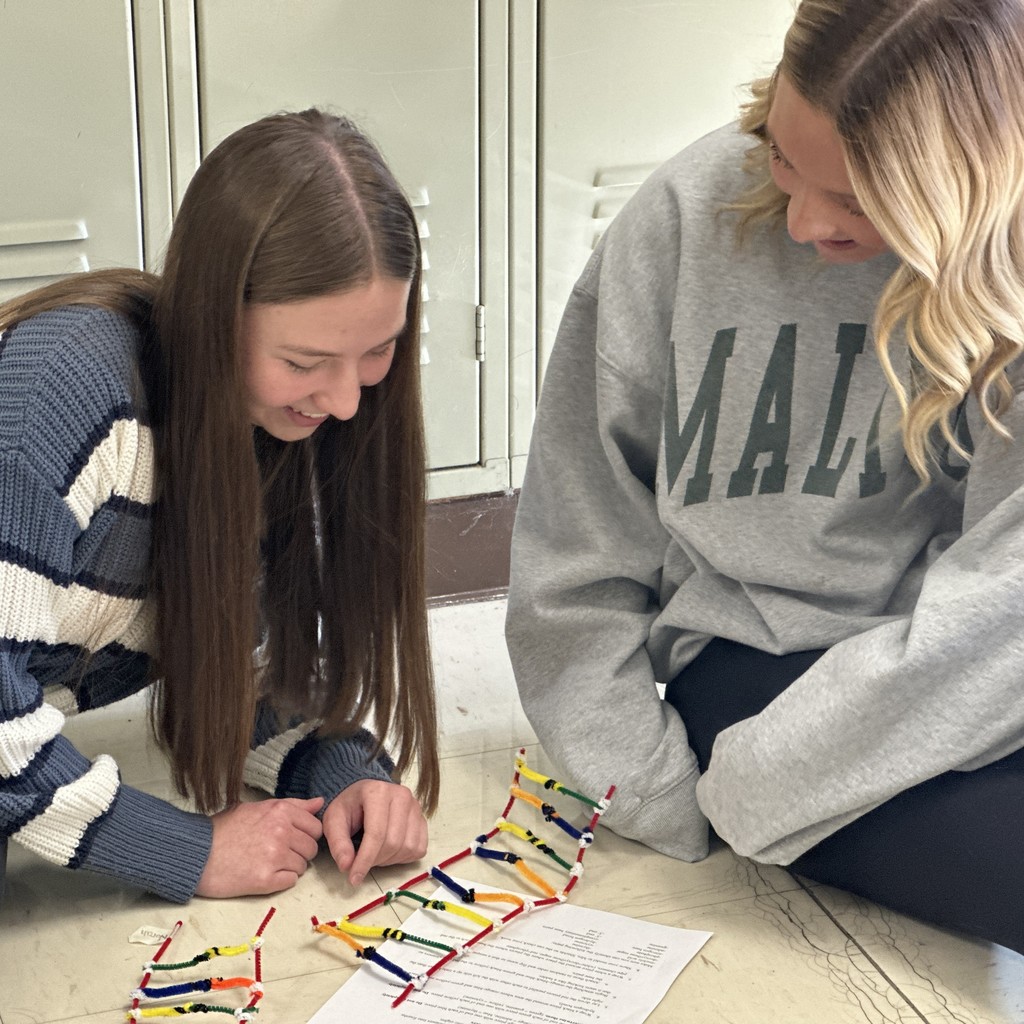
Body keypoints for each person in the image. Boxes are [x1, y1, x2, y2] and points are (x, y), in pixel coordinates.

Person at [506, 0, 1024, 955]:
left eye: (863, 200)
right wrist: (653, 784)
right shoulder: (680, 215)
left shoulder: (1009, 266)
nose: (804, 219)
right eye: (784, 157)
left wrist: (766, 786)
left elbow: (1004, 615)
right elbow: (574, 539)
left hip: (947, 670)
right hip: (755, 666)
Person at [0, 109, 439, 904]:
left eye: (378, 352)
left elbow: (229, 666)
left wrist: (342, 779)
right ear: (213, 315)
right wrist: (183, 850)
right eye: (305, 360)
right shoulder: (63, 388)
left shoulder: (254, 424)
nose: (345, 401)